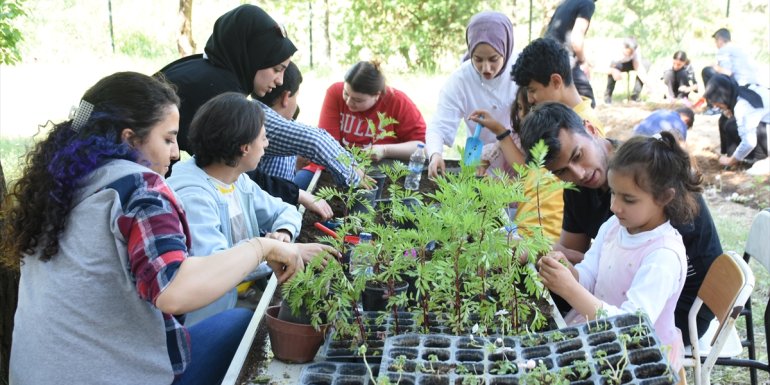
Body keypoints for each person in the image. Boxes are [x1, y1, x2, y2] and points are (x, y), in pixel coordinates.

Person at [1, 72, 334, 384]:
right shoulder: (139, 189)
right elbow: (174, 290)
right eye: (168, 139)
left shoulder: (58, 186)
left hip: (33, 373)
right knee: (245, 326)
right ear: (129, 139)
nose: (175, 153)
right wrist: (263, 247)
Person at [518, 102, 723, 345]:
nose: (578, 174)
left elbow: (634, 325)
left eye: (578, 155)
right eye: (561, 172)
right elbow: (590, 262)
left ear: (591, 129)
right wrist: (562, 265)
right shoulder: (616, 218)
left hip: (678, 311)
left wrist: (570, 284)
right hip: (621, 298)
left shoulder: (655, 186)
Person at [158, 4, 368, 189]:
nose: (279, 80)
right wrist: (353, 176)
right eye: (277, 69)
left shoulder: (205, 69)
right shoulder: (220, 89)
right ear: (253, 55)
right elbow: (311, 140)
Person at [539, 130, 699, 372]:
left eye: (629, 199)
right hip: (601, 332)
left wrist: (569, 290)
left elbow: (630, 327)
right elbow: (590, 274)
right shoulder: (615, 226)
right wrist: (569, 273)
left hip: (640, 355)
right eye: (613, 193)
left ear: (664, 197)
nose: (615, 206)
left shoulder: (663, 256)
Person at [167, 92, 316, 326]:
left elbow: (285, 211)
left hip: (239, 300)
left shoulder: (236, 179)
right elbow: (217, 267)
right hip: (209, 319)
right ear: (245, 147)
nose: (266, 145)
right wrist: (278, 251)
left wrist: (284, 236)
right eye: (264, 138)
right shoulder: (193, 195)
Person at [295, 61, 427, 189]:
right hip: (332, 166)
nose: (349, 102)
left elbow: (423, 148)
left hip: (380, 171)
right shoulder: (335, 92)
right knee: (298, 184)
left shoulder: (398, 102)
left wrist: (385, 150)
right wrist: (350, 166)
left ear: (377, 95)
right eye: (346, 93)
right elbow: (327, 143)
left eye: (358, 100)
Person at [426, 10, 520, 179]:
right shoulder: (461, 79)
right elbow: (439, 125)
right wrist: (435, 154)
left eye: (493, 59)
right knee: (476, 196)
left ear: (506, 50)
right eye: (477, 59)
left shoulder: (520, 72)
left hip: (516, 156)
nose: (486, 68)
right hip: (477, 157)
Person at [252, 62, 334, 220]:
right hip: (268, 218)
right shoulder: (265, 128)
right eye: (296, 96)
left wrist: (296, 165)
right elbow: (316, 140)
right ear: (285, 98)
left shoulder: (257, 119)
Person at [511, 37, 605, 136]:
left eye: (533, 90)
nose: (529, 100)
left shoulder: (586, 129)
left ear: (556, 81)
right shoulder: (558, 116)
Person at [704, 74, 769, 171]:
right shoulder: (737, 91)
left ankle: (755, 159)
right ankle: (732, 156)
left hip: (766, 129)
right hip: (765, 119)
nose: (715, 106)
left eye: (716, 102)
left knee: (732, 125)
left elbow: (749, 142)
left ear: (722, 96)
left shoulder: (741, 107)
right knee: (724, 120)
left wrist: (731, 160)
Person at [544, 0, 597, 107]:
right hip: (563, 58)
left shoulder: (565, 3)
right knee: (587, 101)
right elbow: (576, 39)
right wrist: (583, 61)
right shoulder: (587, 4)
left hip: (547, 55)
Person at [702, 28, 761, 115]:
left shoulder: (724, 49)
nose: (716, 44)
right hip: (753, 86)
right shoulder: (739, 49)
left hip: (739, 86)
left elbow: (726, 72)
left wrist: (714, 66)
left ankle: (714, 106)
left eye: (716, 41)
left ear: (720, 40)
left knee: (707, 71)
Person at [604, 37, 649, 104]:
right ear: (623, 47)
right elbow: (602, 68)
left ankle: (635, 96)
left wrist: (647, 84)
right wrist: (613, 71)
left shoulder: (635, 50)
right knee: (614, 68)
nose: (631, 54)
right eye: (629, 52)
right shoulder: (613, 50)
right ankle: (608, 97)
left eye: (632, 52)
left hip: (629, 63)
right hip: (616, 65)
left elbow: (637, 66)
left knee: (646, 64)